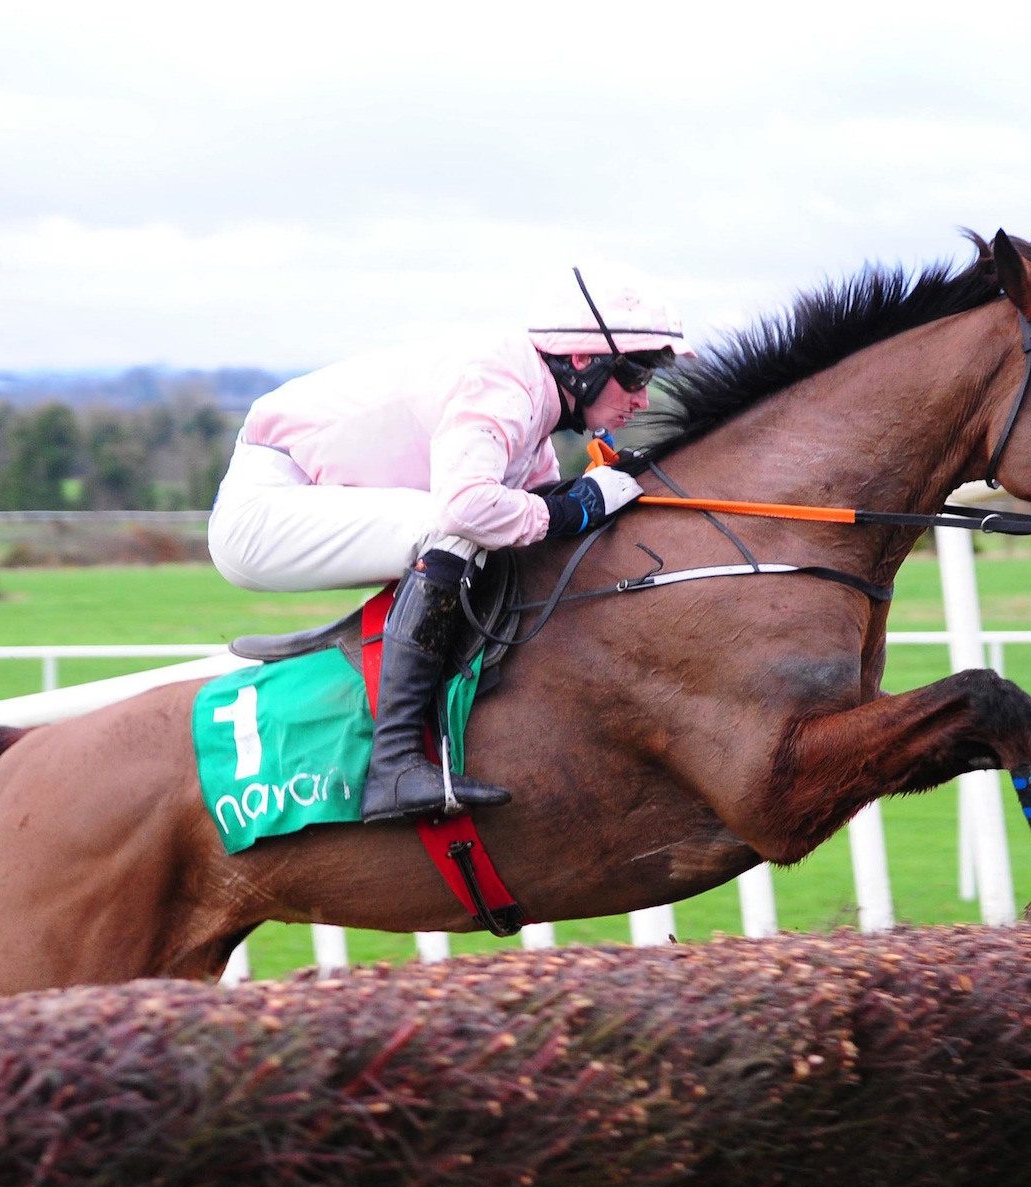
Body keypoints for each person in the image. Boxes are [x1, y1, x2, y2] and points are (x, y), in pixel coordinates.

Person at [208, 268, 692, 823]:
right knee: (456, 527)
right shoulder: (501, 382)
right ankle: (392, 764)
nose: (643, 398)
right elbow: (468, 507)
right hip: (263, 510)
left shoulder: (534, 408)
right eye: (635, 377)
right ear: (583, 361)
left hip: (298, 495)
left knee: (493, 532)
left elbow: (531, 513)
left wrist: (598, 495)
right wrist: (572, 506)